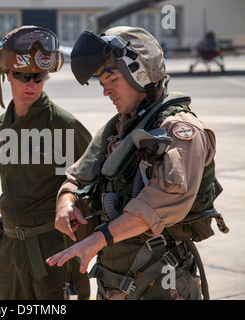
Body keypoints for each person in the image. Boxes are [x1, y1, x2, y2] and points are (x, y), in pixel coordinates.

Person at [46, 26, 228, 300]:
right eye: (101, 82)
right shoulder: (119, 128)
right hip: (115, 281)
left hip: (162, 282)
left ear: (140, 73)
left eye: (112, 78)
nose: (106, 91)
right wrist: (66, 201)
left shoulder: (179, 129)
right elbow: (78, 175)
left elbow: (165, 198)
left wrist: (97, 239)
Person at [0, 25, 92, 300]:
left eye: (38, 76)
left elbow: (95, 183)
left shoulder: (64, 125)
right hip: (10, 250)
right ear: (7, 75)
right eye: (22, 76)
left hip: (52, 252)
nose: (31, 84)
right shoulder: (2, 125)